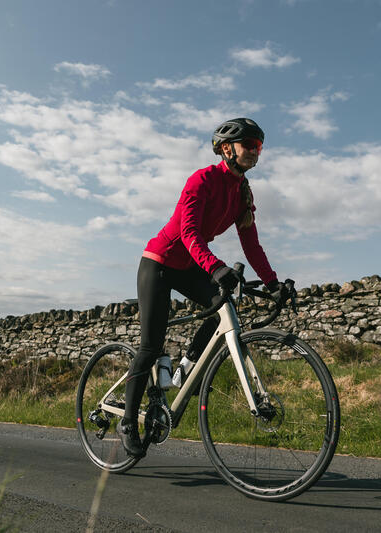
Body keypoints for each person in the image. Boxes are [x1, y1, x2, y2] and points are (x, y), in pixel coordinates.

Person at [117, 117, 290, 457]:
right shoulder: (201, 180)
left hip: (189, 265)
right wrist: (215, 267)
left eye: (260, 147)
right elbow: (189, 234)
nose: (256, 153)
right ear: (227, 149)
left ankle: (187, 366)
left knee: (224, 306)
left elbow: (251, 244)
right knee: (151, 346)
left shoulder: (242, 193)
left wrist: (273, 283)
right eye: (250, 146)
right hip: (159, 262)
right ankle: (126, 420)